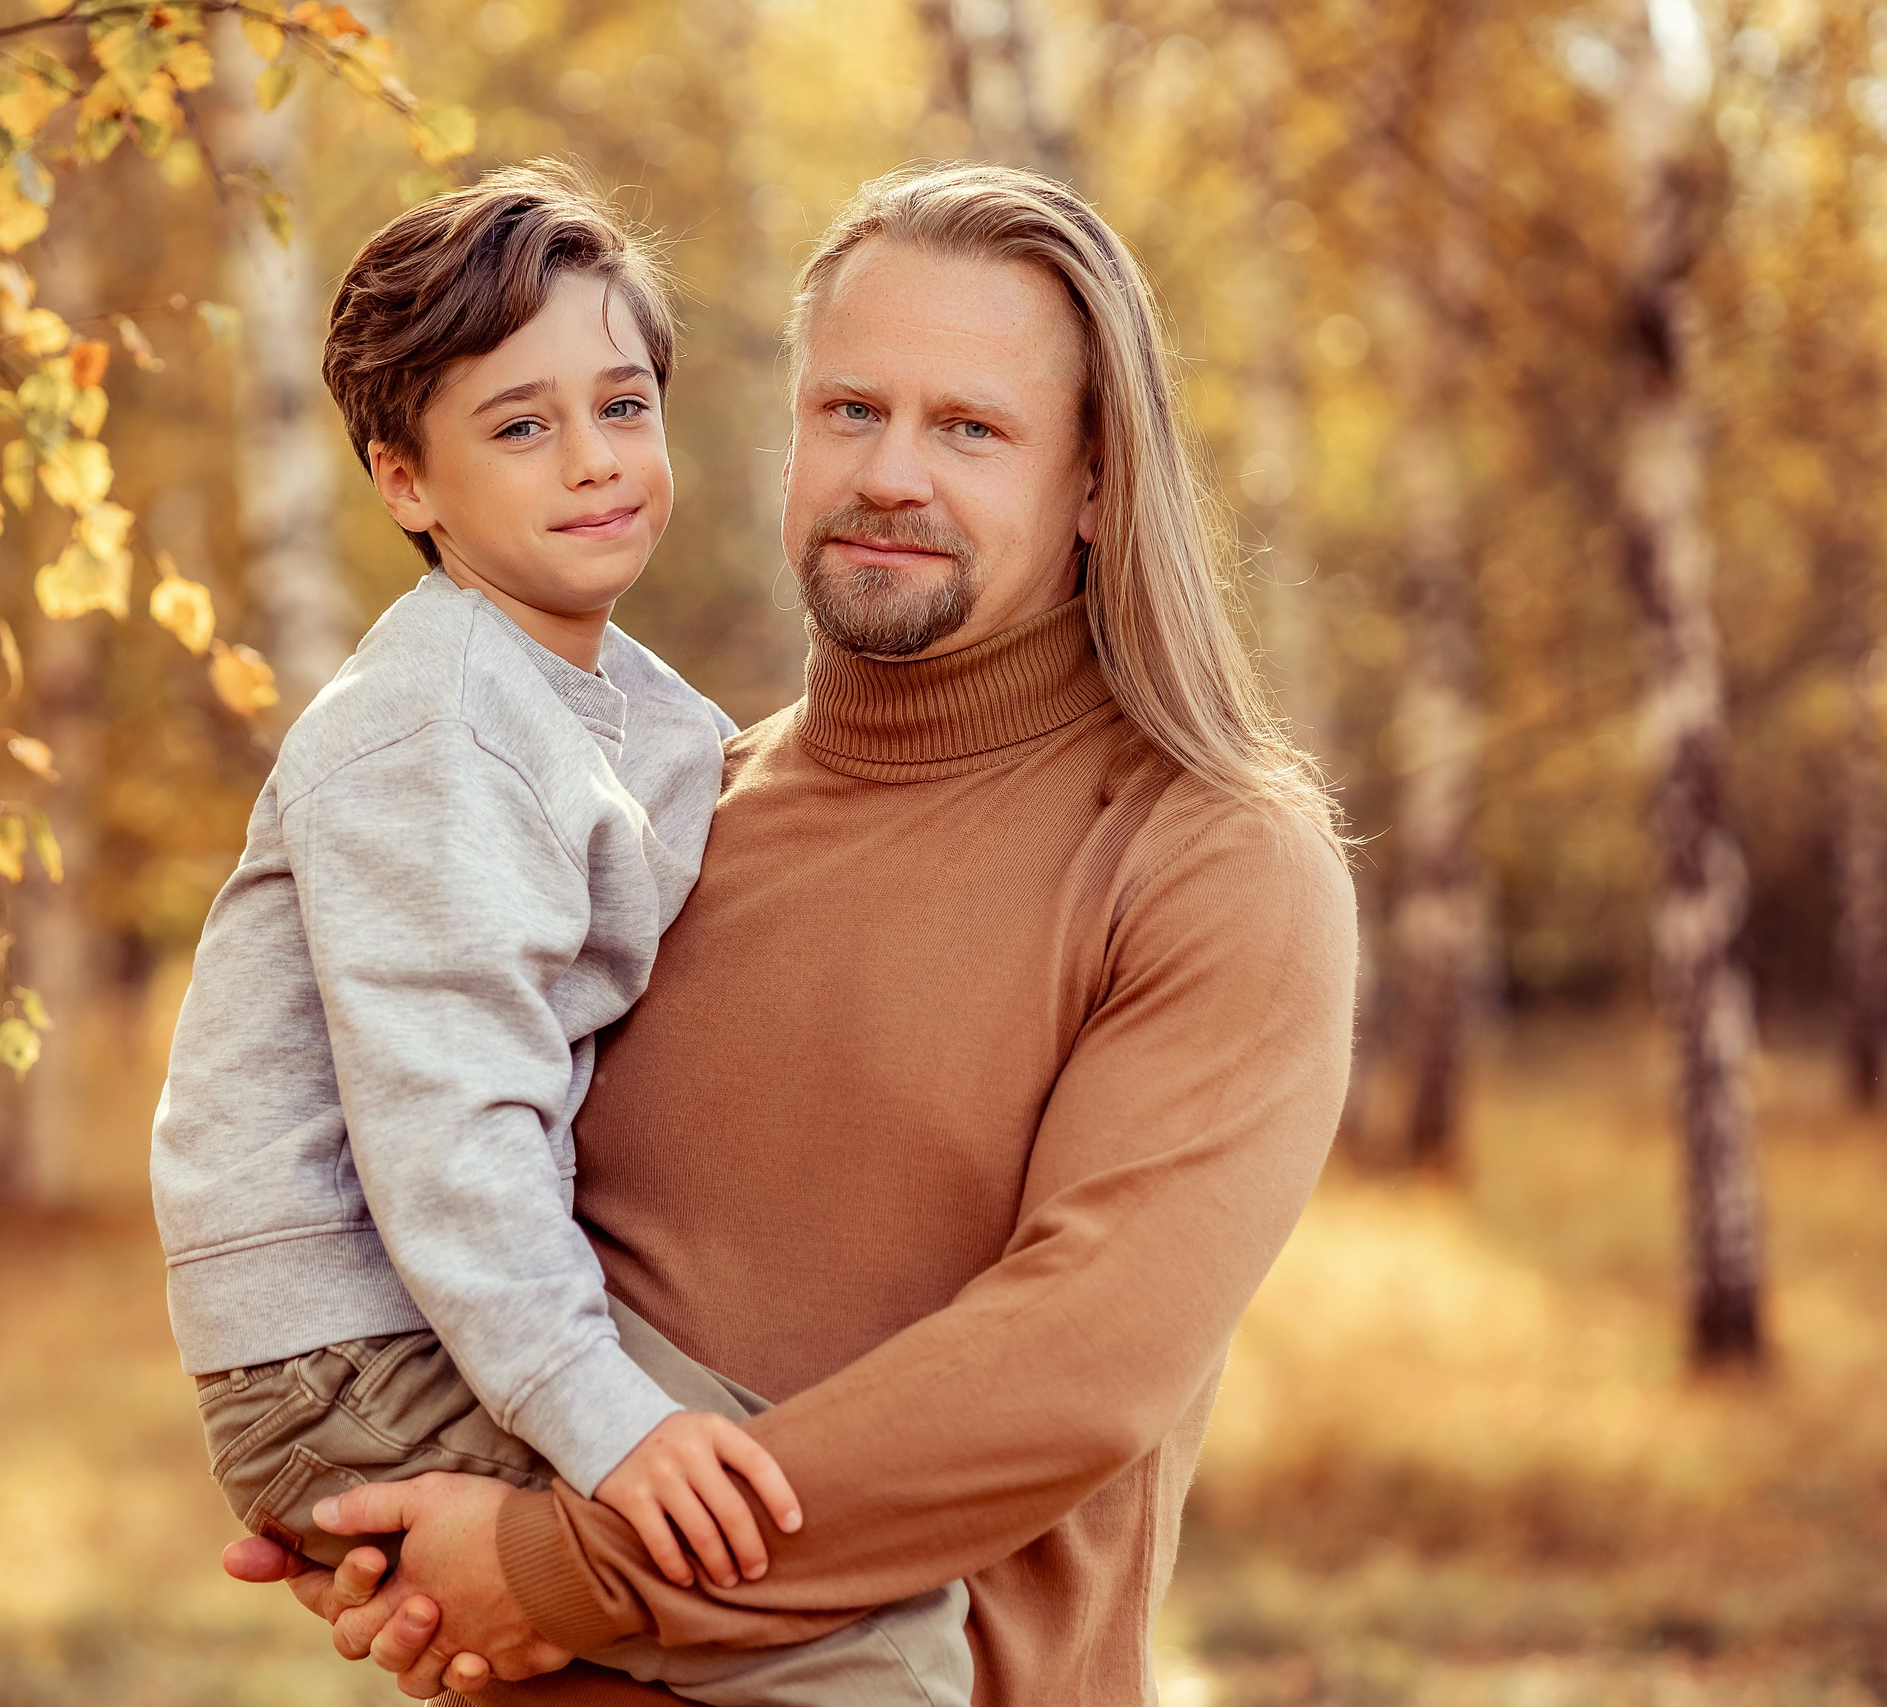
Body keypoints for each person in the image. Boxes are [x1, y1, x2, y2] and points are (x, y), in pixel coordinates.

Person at [224, 163, 1360, 1706]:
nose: (892, 473)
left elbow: (1072, 1368)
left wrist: (558, 1569)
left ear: (1097, 484)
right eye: (849, 411)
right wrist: (380, 1533)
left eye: (970, 427)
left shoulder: (1210, 859)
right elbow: (448, 1180)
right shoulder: (655, 821)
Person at [149, 162, 974, 1706]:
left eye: (623, 407)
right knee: (863, 1618)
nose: (595, 463)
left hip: (443, 1305)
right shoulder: (432, 737)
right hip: (353, 1336)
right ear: (406, 482)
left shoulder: (636, 713)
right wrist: (606, 1418)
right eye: (520, 427)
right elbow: (449, 1131)